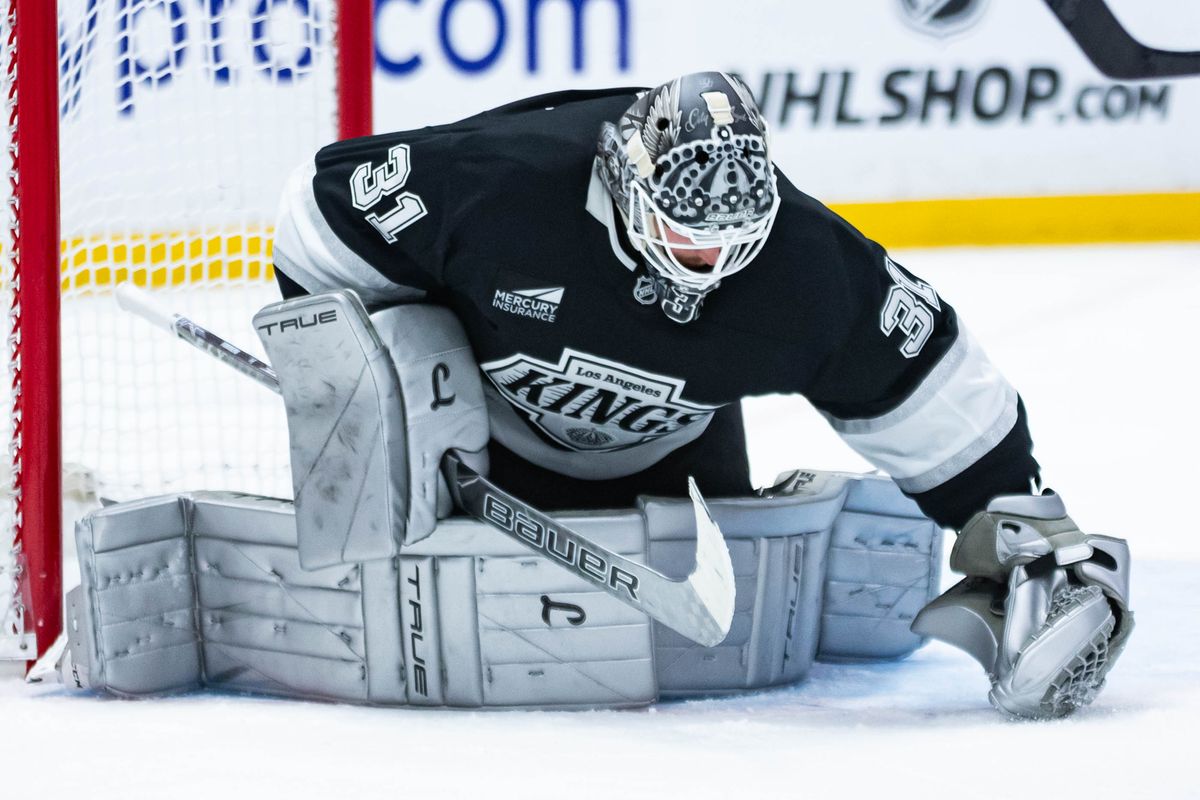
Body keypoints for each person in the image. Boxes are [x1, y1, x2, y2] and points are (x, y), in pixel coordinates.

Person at [269, 71, 1132, 717]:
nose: (708, 264)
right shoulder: (500, 187)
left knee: (689, 647)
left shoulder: (806, 267)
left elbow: (933, 386)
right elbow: (321, 219)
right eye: (685, 233)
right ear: (624, 178)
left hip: (675, 451)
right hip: (480, 442)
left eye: (731, 241)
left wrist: (1025, 529)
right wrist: (360, 389)